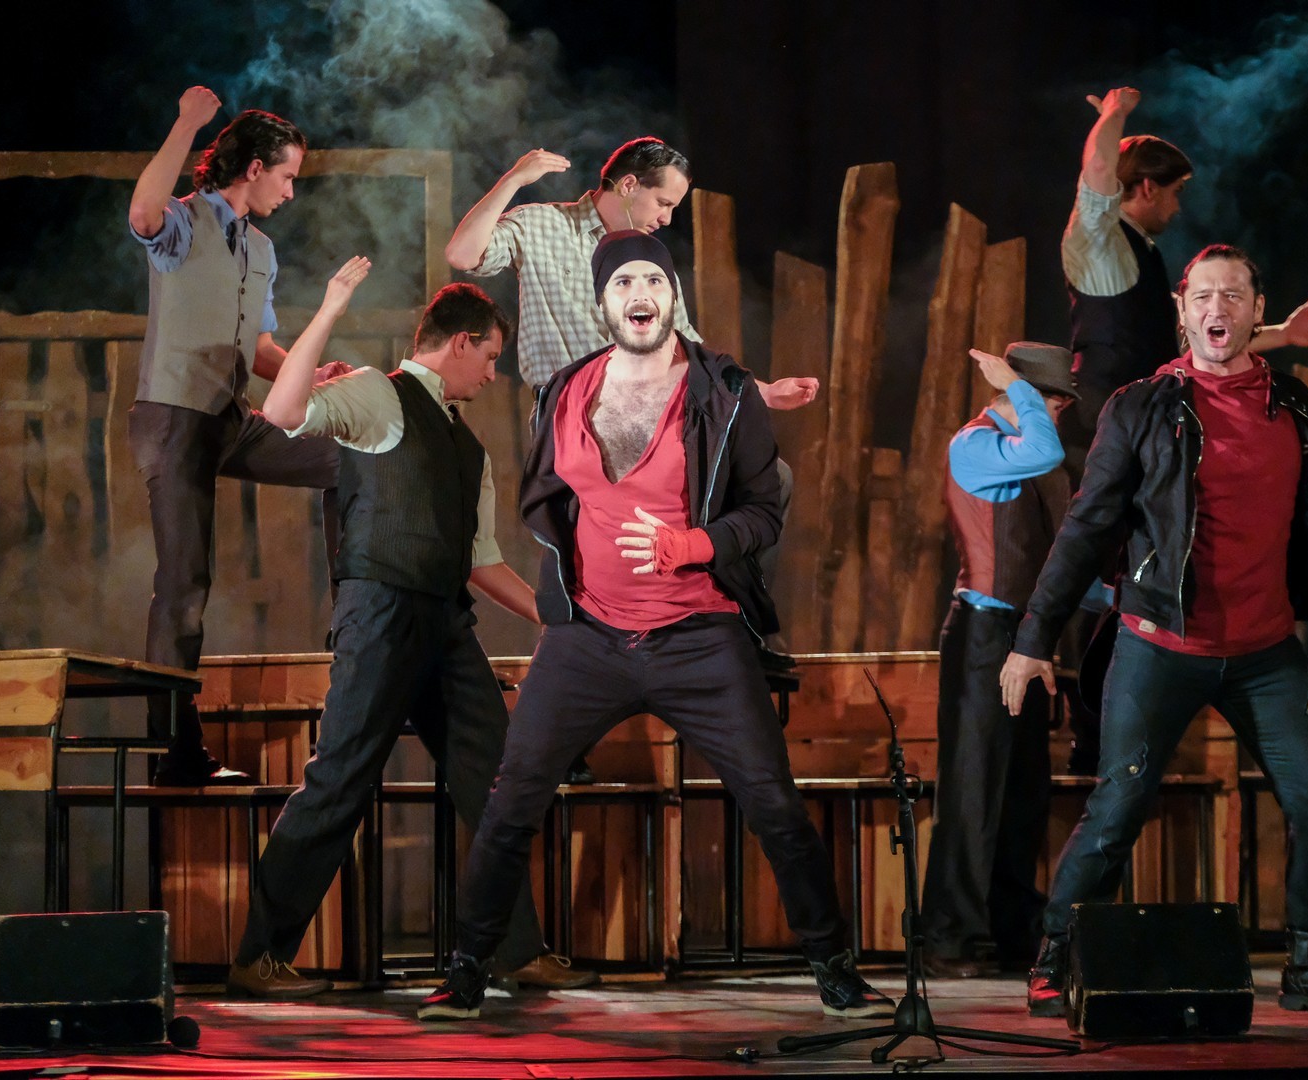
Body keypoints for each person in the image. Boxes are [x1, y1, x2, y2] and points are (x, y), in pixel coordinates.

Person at [418, 231, 892, 1022]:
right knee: (510, 803)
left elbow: (764, 511)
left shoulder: (724, 391)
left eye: (653, 280)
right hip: (587, 639)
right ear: (602, 302)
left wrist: (693, 545)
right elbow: (551, 503)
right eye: (623, 283)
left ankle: (835, 969)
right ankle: (467, 971)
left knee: (773, 804)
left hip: (698, 635)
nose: (639, 294)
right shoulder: (563, 390)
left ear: (673, 296)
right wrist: (562, 598)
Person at [1000, 245, 1308, 1018]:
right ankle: (1056, 955)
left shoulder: (1293, 404)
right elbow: (1086, 528)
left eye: (1232, 295)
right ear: (1181, 309)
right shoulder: (1143, 406)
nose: (1215, 309)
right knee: (1118, 808)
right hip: (1160, 643)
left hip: (1264, 651)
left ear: (1258, 310)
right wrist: (1033, 640)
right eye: (1201, 296)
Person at [225, 271, 586, 998]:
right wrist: (330, 307)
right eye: (490, 357)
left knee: (496, 778)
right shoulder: (378, 395)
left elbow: (481, 561)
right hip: (381, 615)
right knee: (340, 778)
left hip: (445, 624)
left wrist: (561, 620)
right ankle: (260, 955)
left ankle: (512, 949)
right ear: (460, 343)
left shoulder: (469, 449)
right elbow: (284, 410)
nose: (492, 373)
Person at [447, 136, 813, 679]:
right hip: (575, 418)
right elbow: (462, 255)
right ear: (628, 185)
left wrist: (765, 391)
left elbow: (688, 347)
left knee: (768, 479)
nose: (666, 219)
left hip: (658, 415)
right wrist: (515, 180)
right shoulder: (544, 225)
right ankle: (574, 662)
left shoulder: (649, 263)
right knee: (586, 535)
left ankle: (740, 626)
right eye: (663, 203)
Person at [1056, 85, 1308, 769]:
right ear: (1146, 188)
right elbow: (1095, 180)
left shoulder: (1143, 261)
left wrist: (1283, 335)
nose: (1179, 207)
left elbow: (1196, 344)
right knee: (1110, 582)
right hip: (1107, 436)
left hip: (1151, 437)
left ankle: (1112, 735)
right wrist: (1114, 116)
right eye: (1175, 192)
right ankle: (1095, 737)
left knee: (1135, 583)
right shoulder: (1102, 249)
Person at [127, 87, 344, 785]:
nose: (290, 190)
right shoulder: (183, 223)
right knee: (184, 584)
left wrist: (316, 375)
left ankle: (355, 616)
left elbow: (260, 348)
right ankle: (175, 752)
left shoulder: (260, 248)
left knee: (346, 461)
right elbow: (142, 213)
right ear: (254, 168)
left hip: (228, 418)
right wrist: (187, 122)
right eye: (287, 176)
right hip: (174, 418)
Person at [920, 343, 1075, 978]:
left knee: (1022, 790)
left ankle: (1014, 928)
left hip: (1026, 636)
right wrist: (1019, 388)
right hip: (982, 634)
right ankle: (949, 935)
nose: (1057, 415)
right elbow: (1044, 448)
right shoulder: (976, 444)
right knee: (973, 785)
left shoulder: (1027, 452)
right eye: (1053, 402)